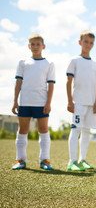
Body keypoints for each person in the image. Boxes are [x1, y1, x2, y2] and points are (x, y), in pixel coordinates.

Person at [11, 34, 55, 170]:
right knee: (23, 131)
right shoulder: (23, 63)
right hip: (25, 102)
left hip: (41, 103)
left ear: (43, 46)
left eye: (38, 44)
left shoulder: (49, 64)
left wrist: (48, 103)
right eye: (33, 44)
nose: (35, 47)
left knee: (43, 130)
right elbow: (18, 83)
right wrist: (15, 101)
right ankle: (21, 160)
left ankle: (44, 160)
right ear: (29, 46)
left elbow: (51, 85)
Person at [66, 30, 96, 171]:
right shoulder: (74, 61)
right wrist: (70, 101)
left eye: (91, 42)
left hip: (91, 104)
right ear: (80, 42)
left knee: (87, 132)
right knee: (75, 130)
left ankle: (82, 160)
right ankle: (72, 161)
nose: (88, 45)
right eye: (86, 41)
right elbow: (68, 82)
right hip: (78, 102)